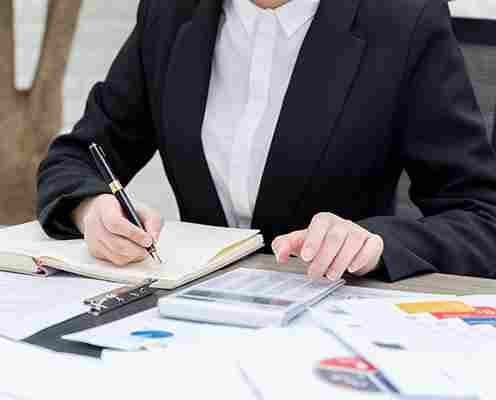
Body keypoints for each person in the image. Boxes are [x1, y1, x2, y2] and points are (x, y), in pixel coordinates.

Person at [37, 0, 496, 282]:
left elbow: (481, 216)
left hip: (336, 320)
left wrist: (378, 242)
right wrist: (91, 209)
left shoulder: (404, 19)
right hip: (190, 320)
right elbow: (77, 157)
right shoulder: (169, 12)